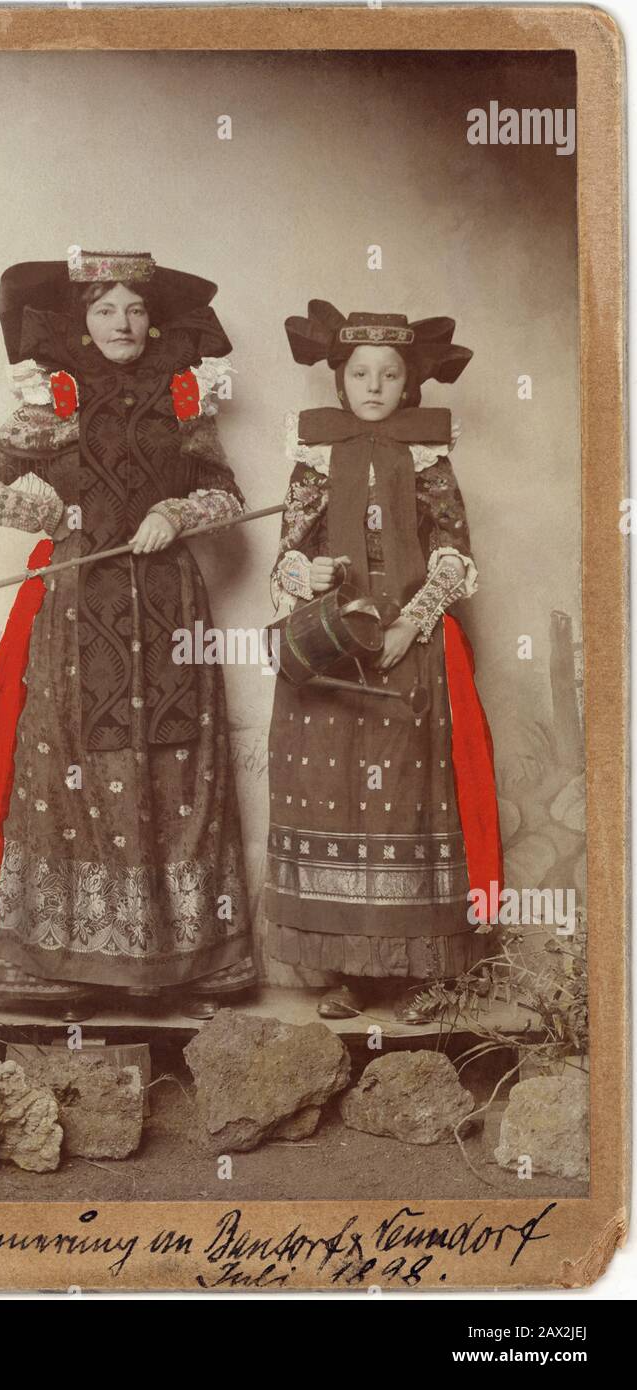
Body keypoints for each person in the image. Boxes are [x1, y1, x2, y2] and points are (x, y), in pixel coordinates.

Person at [0, 249, 256, 1020]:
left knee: (172, 763)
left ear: (155, 321)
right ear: (80, 321)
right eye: (105, 310)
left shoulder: (184, 400)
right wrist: (53, 514)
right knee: (75, 763)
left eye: (136, 310)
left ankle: (182, 964)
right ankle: (65, 967)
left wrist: (175, 514)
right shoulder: (53, 399)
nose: (123, 324)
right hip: (80, 602)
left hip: (168, 603)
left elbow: (226, 496)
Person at [264, 301, 503, 1021]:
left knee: (407, 801)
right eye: (360, 373)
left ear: (408, 385)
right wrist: (313, 580)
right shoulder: (312, 459)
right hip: (334, 652)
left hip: (410, 648)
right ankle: (343, 973)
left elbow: (453, 551)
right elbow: (286, 554)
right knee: (330, 788)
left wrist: (411, 622)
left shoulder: (428, 459)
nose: (373, 386)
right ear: (340, 381)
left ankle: (416, 973)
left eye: (388, 374)